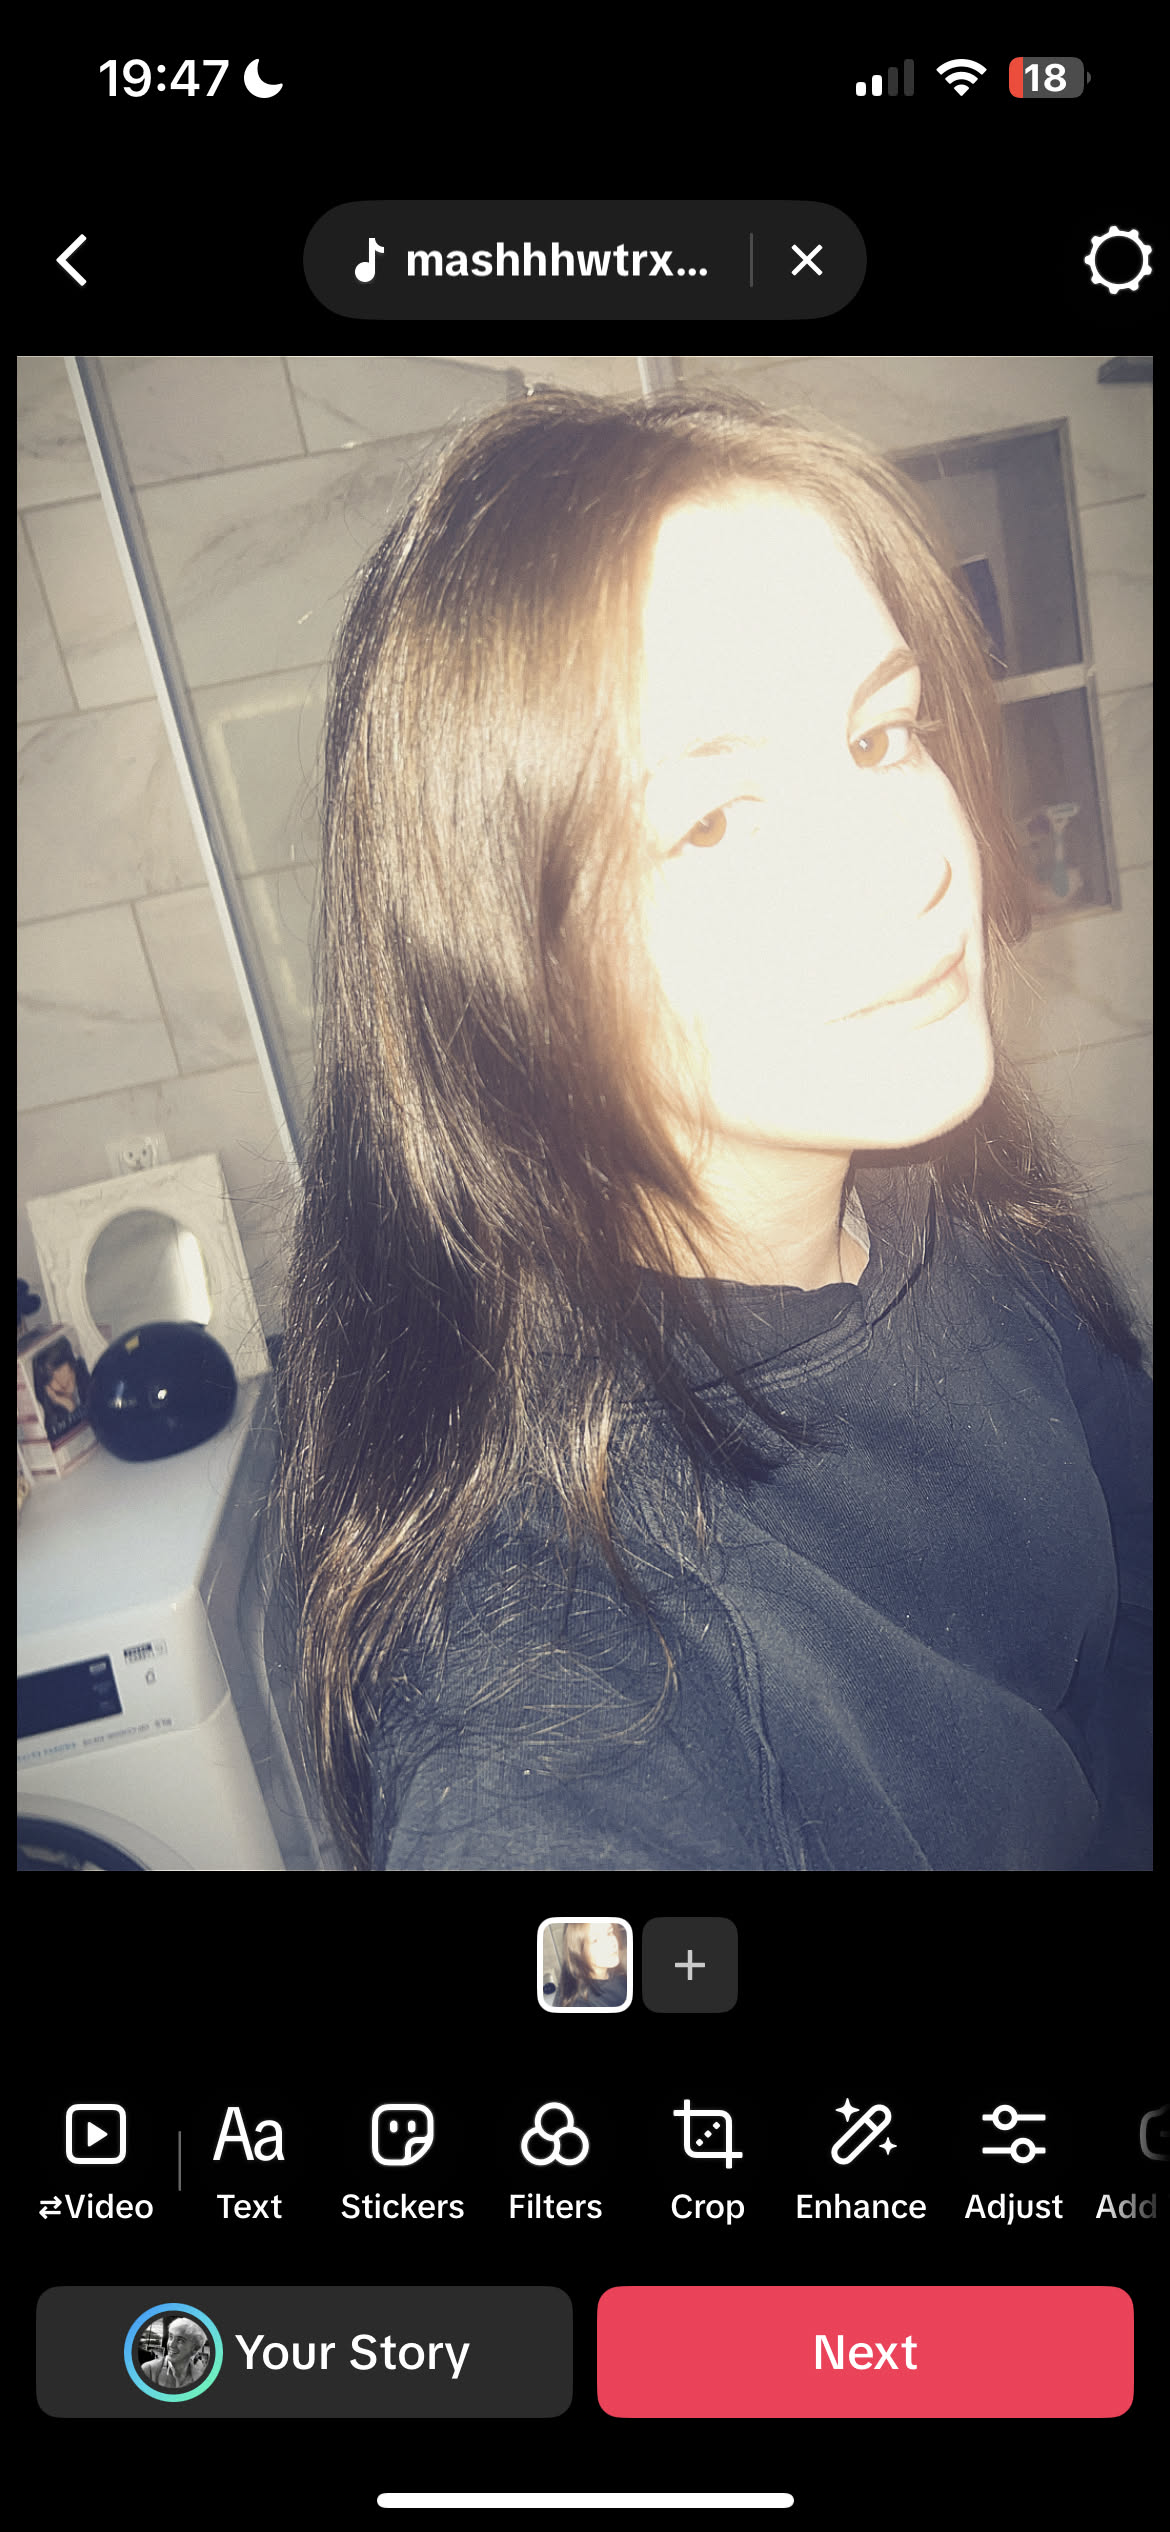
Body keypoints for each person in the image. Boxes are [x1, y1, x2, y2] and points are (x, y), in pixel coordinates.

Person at [271, 385, 1151, 1874]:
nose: (911, 865)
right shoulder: (554, 1672)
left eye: (882, 735)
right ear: (500, 950)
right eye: (713, 820)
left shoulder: (942, 1196)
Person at [552, 1922, 629, 2007]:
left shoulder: (614, 1971)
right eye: (595, 1940)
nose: (611, 1943)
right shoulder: (580, 2004)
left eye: (609, 1933)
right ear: (578, 1950)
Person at [140, 2316, 210, 2389]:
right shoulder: (149, 2369)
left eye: (180, 2340)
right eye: (171, 2337)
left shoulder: (200, 2377)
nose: (171, 2344)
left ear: (195, 2349)